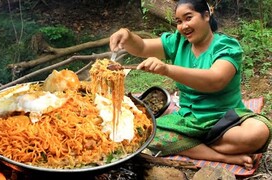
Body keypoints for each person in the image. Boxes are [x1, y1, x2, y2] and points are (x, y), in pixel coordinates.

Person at [109, 0, 271, 170]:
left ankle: (192, 143)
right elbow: (141, 47)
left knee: (258, 131)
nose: (183, 26)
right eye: (179, 21)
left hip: (226, 119)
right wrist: (127, 34)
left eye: (188, 18)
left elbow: (215, 80)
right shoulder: (178, 42)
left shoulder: (226, 46)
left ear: (206, 15)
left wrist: (167, 69)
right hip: (189, 119)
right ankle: (223, 156)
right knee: (146, 132)